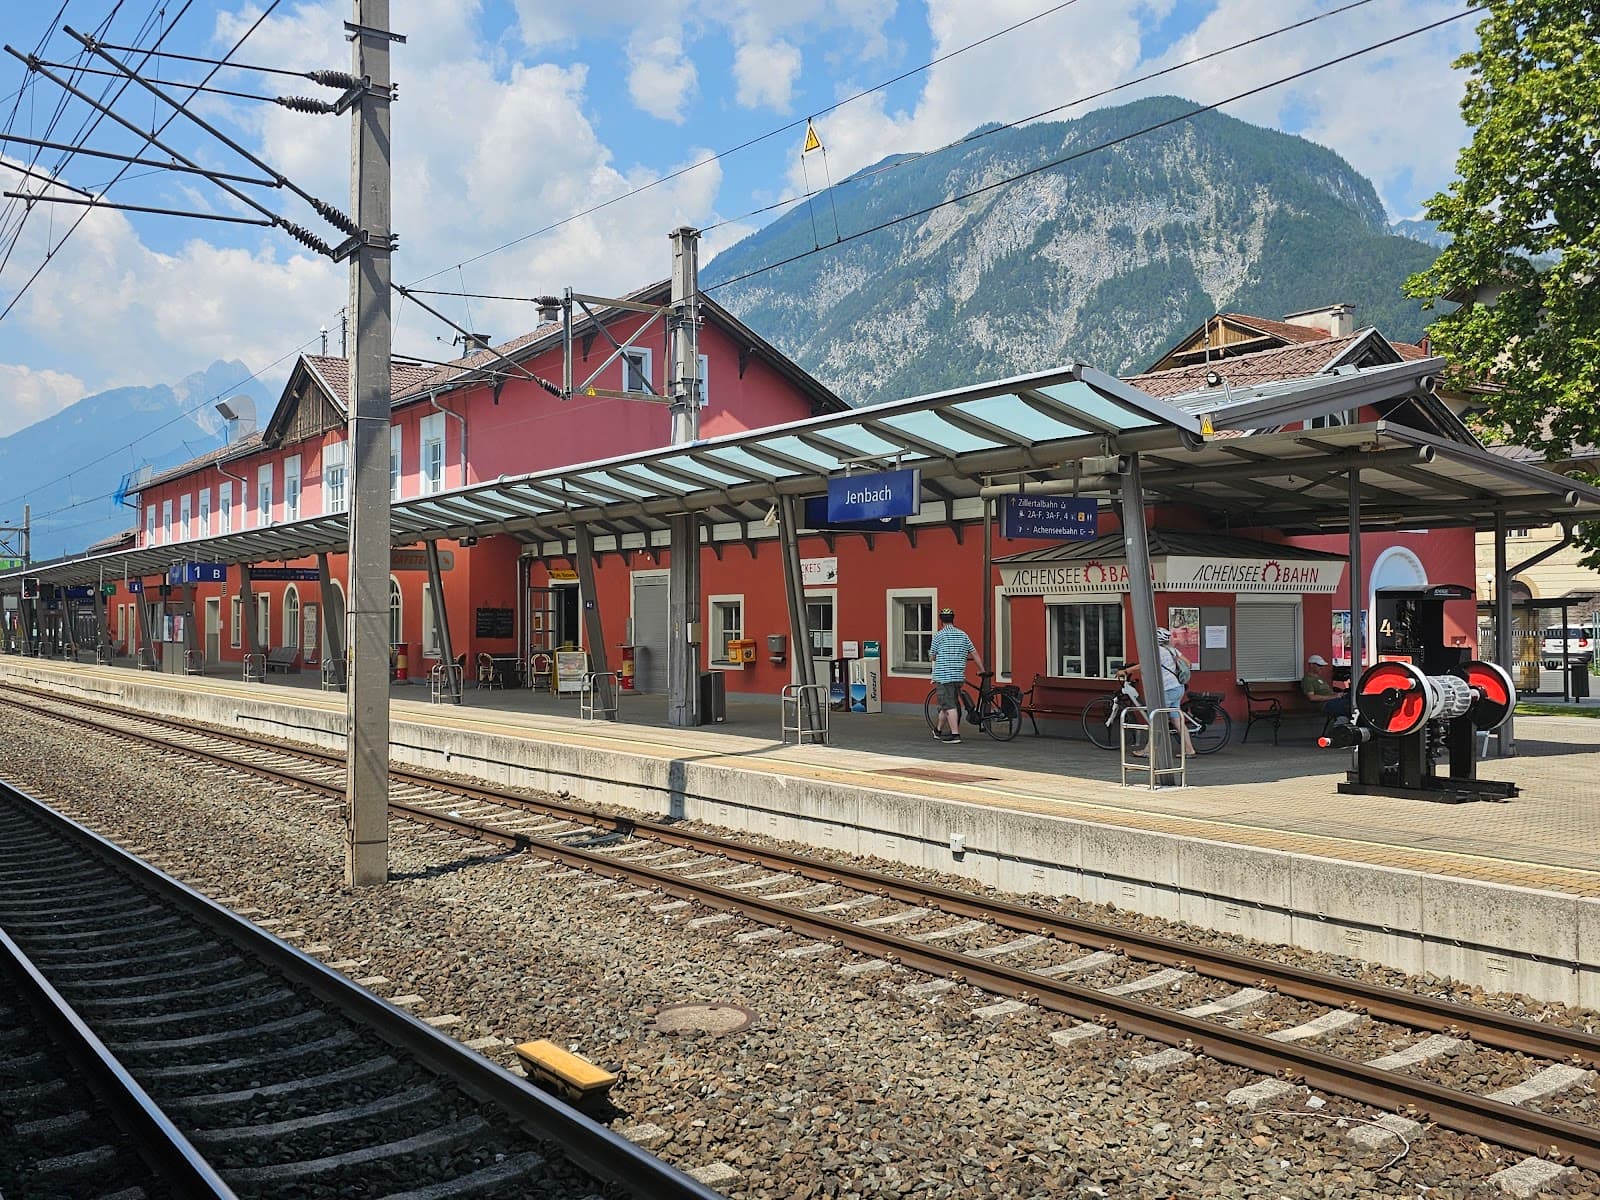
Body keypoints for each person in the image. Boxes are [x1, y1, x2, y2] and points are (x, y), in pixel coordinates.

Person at [1117, 627, 1196, 757]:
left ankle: (1149, 750)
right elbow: (1188, 664)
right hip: (1178, 687)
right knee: (1176, 720)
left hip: (1166, 689)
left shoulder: (1157, 651)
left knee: (1157, 719)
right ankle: (1189, 749)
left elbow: (1144, 665)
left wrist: (1125, 671)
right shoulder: (1172, 650)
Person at [930, 606, 983, 744]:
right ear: (953, 619)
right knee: (946, 704)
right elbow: (975, 653)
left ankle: (955, 735)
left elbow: (932, 656)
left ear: (941, 620)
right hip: (958, 676)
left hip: (944, 676)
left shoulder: (939, 635)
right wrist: (981, 669)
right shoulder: (963, 634)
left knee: (949, 706)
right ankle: (938, 730)